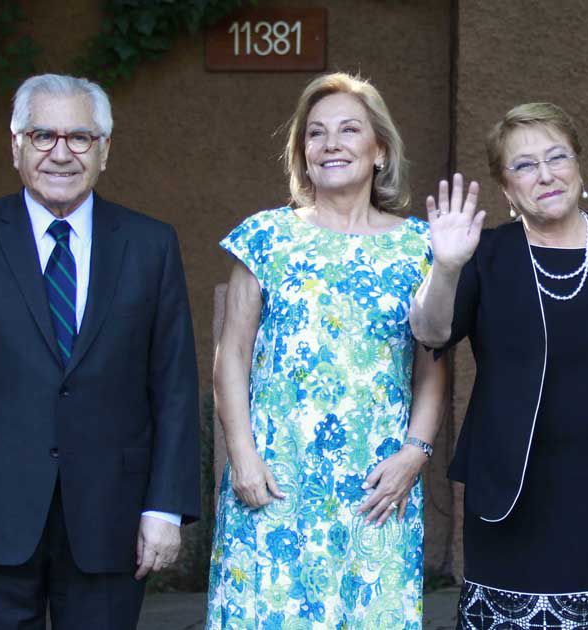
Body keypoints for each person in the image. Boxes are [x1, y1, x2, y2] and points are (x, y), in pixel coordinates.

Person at [0, 73, 201, 628]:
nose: (61, 153)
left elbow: (175, 387)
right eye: (43, 136)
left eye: (79, 138)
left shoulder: (151, 245)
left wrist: (165, 508)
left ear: (104, 151)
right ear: (15, 145)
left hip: (111, 516)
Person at [410, 102, 588, 629]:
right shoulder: (486, 256)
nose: (544, 174)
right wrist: (446, 267)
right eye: (523, 165)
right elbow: (431, 333)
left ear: (578, 167)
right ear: (505, 189)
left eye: (556, 156)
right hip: (515, 503)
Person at [206, 72, 446, 629]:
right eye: (316, 133)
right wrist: (241, 455)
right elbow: (233, 357)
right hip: (273, 484)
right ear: (303, 153)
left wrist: (416, 453)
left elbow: (432, 371)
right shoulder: (264, 237)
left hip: (377, 488)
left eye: (348, 129)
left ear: (379, 149)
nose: (331, 143)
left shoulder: (421, 246)